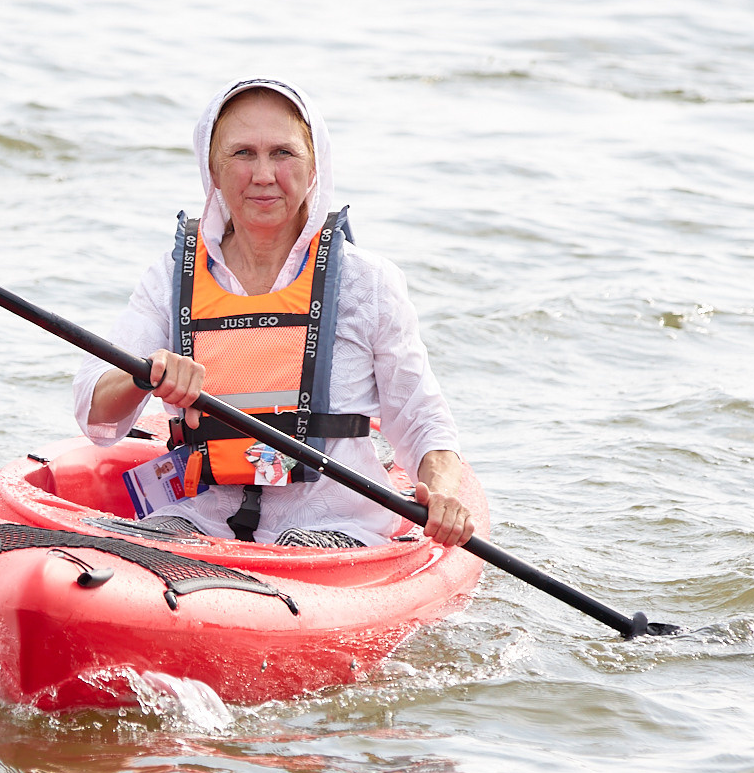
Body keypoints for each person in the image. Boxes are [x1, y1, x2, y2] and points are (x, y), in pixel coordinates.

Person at [76, 77, 477, 549]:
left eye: (283, 153)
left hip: (336, 525)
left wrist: (446, 493)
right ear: (214, 169)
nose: (263, 174)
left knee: (298, 545)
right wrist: (145, 375)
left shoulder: (367, 282)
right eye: (242, 153)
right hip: (199, 521)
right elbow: (95, 413)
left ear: (313, 169)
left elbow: (422, 421)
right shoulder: (170, 277)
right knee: (113, 552)